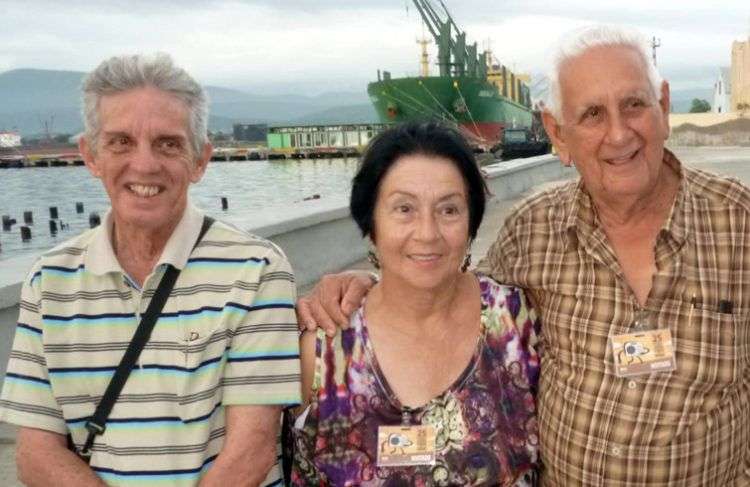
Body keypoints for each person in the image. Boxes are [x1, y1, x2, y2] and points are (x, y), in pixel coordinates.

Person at [297, 25, 750, 486]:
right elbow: (443, 281)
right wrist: (367, 284)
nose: (618, 133)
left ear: (665, 107)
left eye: (634, 104)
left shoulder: (740, 225)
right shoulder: (534, 229)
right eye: (592, 114)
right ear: (558, 132)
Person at [0, 54, 300, 486]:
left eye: (168, 144)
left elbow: (250, 451)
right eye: (121, 142)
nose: (144, 165)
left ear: (200, 160)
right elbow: (36, 454)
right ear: (91, 155)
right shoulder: (49, 282)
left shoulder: (256, 271)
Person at [291, 122, 540, 486]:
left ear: (472, 222)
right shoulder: (323, 348)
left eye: (449, 210)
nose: (427, 233)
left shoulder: (520, 324)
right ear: (370, 221)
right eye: (404, 208)